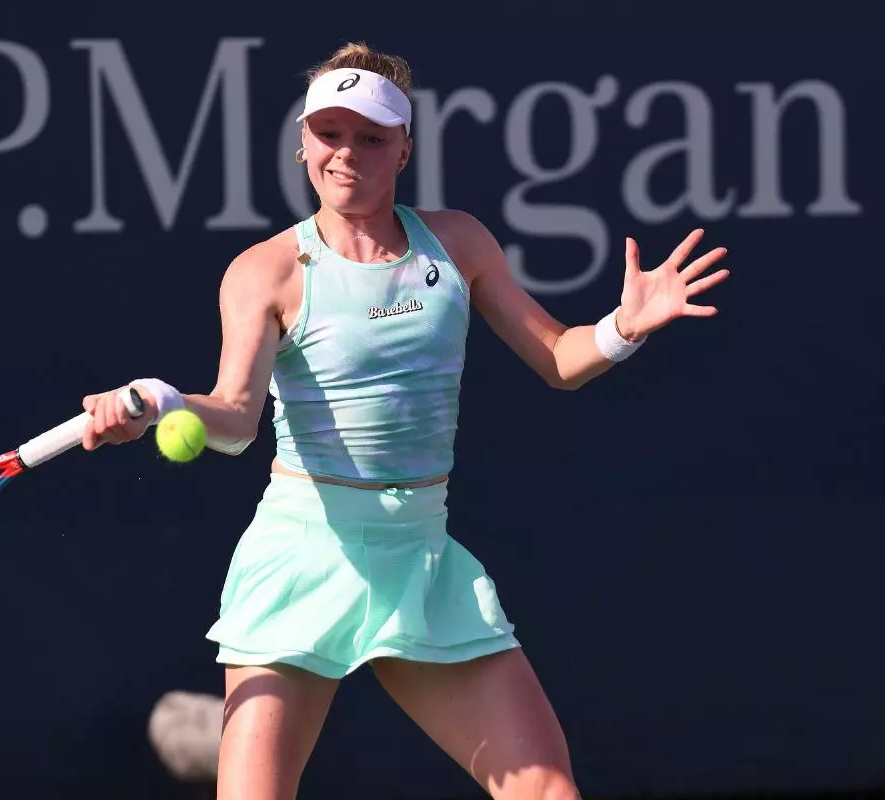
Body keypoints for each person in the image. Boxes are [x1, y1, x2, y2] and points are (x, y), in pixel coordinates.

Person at [79, 42, 729, 800]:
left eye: (370, 137)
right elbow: (233, 420)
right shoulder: (267, 271)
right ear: (302, 144)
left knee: (548, 791)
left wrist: (622, 326)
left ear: (404, 150)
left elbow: (558, 358)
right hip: (302, 557)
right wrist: (162, 400)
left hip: (420, 558)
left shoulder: (458, 244)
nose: (345, 153)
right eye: (329, 133)